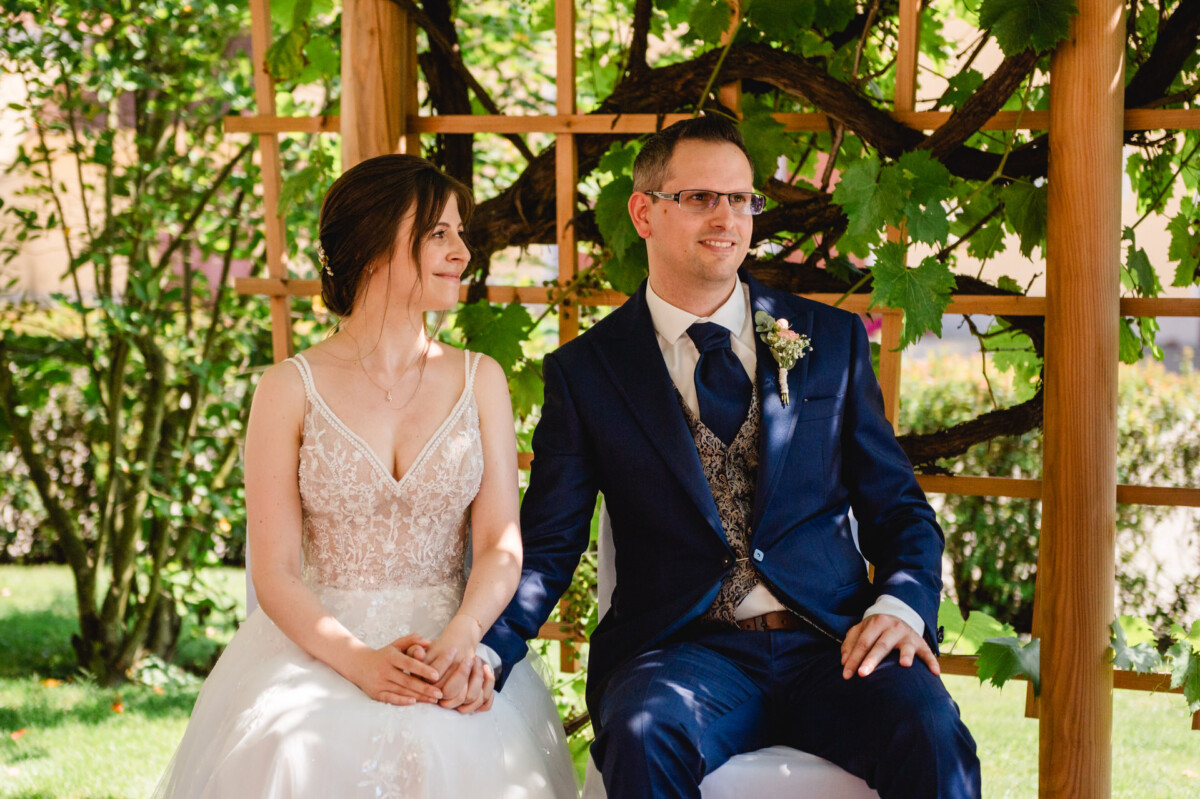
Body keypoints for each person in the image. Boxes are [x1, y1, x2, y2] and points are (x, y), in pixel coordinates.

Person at [482, 116, 981, 798]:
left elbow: (900, 510)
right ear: (644, 211)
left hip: (832, 644)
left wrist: (899, 603)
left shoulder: (827, 340)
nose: (728, 216)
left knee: (929, 726)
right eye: (701, 198)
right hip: (684, 654)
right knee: (640, 731)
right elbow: (548, 546)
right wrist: (489, 647)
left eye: (742, 199)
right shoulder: (589, 372)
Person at [153, 154, 577, 799]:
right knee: (295, 751)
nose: (463, 251)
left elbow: (498, 545)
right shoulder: (287, 388)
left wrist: (463, 639)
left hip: (448, 643)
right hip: (318, 648)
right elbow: (274, 572)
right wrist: (360, 663)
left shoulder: (480, 379)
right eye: (439, 233)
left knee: (457, 747)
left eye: (460, 233)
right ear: (374, 242)